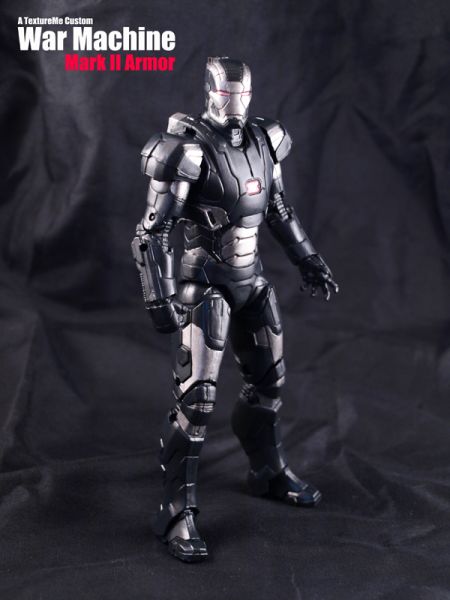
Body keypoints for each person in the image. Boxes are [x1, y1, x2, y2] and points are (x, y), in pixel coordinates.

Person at [132, 57, 339, 562]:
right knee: (197, 400)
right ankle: (175, 512)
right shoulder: (186, 152)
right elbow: (153, 234)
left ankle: (267, 471)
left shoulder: (266, 141)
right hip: (205, 287)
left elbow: (278, 209)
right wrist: (159, 298)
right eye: (226, 94)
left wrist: (309, 259)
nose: (235, 103)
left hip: (252, 283)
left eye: (241, 94)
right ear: (210, 93)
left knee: (269, 384)